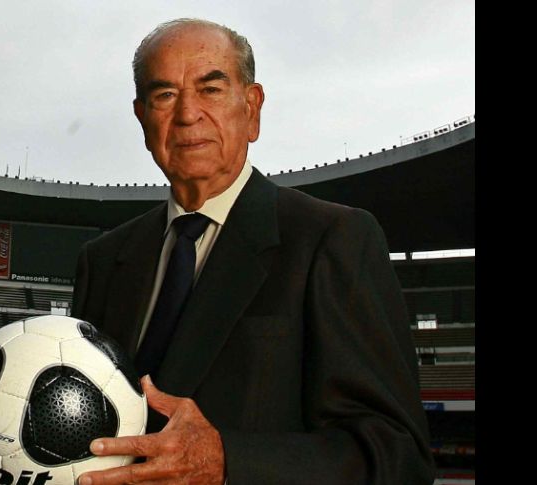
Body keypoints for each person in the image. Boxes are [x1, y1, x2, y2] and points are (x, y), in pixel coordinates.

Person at [71, 18, 435, 485]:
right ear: (142, 117)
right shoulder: (103, 262)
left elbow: (398, 458)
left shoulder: (333, 239)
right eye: (165, 95)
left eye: (210, 90)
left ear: (252, 107)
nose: (187, 114)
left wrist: (228, 461)